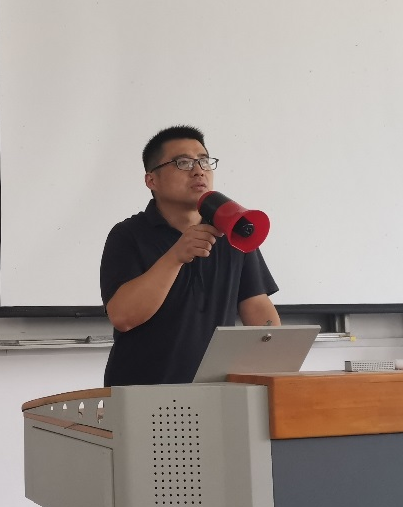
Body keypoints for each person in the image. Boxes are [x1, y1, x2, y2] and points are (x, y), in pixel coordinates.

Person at [100, 125, 280, 386]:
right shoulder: (128, 235)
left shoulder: (231, 231)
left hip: (217, 392)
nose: (199, 171)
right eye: (183, 163)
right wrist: (175, 256)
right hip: (142, 392)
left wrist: (278, 362)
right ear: (151, 180)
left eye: (204, 161)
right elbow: (124, 317)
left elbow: (256, 306)